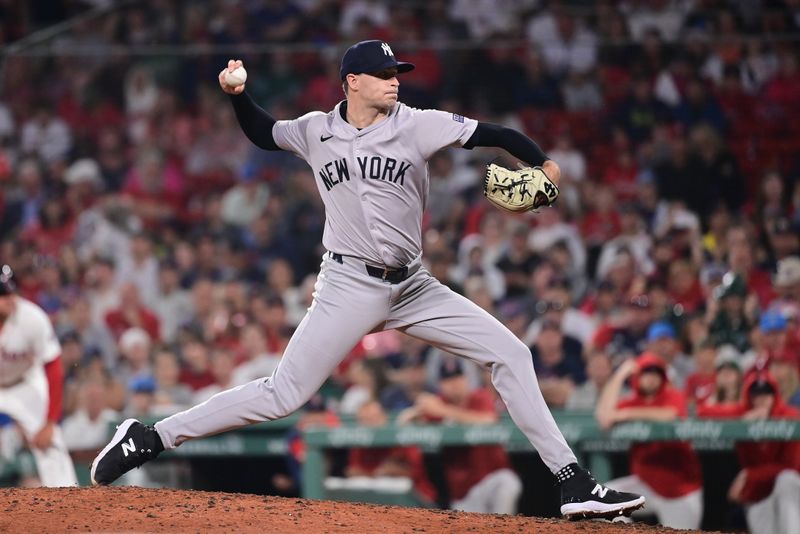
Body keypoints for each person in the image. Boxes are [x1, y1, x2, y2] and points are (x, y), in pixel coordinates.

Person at [91, 40, 644, 518]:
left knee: (512, 353)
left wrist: (542, 163)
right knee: (283, 393)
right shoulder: (315, 131)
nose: (393, 83)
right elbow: (264, 134)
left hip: (413, 286)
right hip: (348, 285)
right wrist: (238, 97)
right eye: (383, 75)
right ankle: (151, 436)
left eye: (397, 74)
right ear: (352, 81)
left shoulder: (419, 124)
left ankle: (573, 482)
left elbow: (494, 134)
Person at [398, 358, 522, 514]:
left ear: (466, 379)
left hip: (491, 478)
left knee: (507, 483)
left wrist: (443, 411)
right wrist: (418, 408)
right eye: (448, 380)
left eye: (458, 378)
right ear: (440, 385)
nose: (454, 384)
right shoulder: (439, 402)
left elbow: (488, 420)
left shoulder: (479, 396)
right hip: (463, 492)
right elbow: (403, 421)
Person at [595, 353, 704, 529]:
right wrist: (620, 374)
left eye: (656, 373)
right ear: (637, 377)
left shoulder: (673, 395)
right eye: (646, 372)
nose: (651, 377)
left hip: (679, 489)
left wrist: (626, 415)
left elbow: (670, 414)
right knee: (600, 499)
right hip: (646, 484)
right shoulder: (633, 401)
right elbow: (604, 417)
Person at [0, 265, 77, 486]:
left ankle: (67, 501)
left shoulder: (32, 318)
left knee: (51, 443)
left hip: (24, 383)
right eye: (2, 295)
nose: (9, 299)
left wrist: (50, 421)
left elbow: (53, 368)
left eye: (11, 292)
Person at [698, 372, 800, 534]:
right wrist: (742, 422)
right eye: (756, 395)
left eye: (767, 394)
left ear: (775, 395)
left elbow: (791, 467)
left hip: (786, 487)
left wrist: (748, 475)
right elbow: (703, 413)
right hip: (759, 489)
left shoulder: (790, 415)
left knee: (787, 480)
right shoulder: (743, 413)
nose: (761, 400)